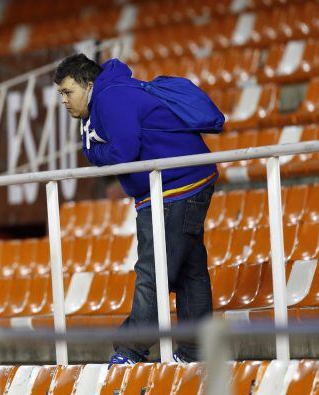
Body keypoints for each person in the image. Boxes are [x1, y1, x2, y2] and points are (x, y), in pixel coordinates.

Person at [54, 54, 218, 365]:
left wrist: (92, 149)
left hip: (174, 187)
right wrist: (96, 148)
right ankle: (196, 351)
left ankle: (131, 350)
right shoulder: (107, 97)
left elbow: (123, 152)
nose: (64, 100)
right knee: (188, 270)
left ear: (88, 85)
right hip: (182, 182)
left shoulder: (110, 97)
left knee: (153, 271)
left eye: (67, 92)